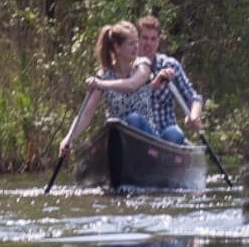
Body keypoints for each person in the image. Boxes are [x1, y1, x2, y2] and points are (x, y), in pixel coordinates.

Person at [60, 21, 184, 159]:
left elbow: (131, 85)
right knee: (124, 123)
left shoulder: (142, 66)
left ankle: (161, 164)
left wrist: (101, 84)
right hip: (120, 143)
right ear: (117, 47)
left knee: (166, 131)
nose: (136, 47)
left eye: (137, 42)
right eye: (131, 44)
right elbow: (86, 114)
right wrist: (68, 139)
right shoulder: (104, 75)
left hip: (149, 141)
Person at [135, 15, 205, 139]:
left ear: (158, 41)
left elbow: (193, 98)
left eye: (153, 39)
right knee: (133, 120)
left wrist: (194, 116)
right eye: (145, 38)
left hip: (165, 131)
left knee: (174, 134)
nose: (148, 43)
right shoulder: (128, 66)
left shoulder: (170, 65)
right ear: (137, 39)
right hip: (139, 132)